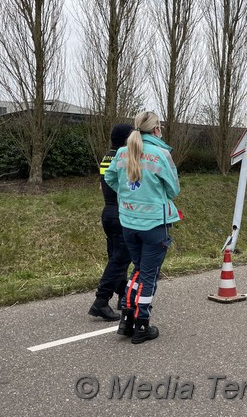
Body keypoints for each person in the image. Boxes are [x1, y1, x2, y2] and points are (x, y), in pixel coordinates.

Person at [105, 111, 181, 344]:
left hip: (128, 223)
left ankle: (126, 319)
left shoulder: (120, 153)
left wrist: (129, 198)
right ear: (156, 129)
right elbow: (173, 190)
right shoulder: (161, 154)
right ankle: (141, 324)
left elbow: (110, 179)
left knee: (137, 270)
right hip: (154, 226)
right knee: (148, 275)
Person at [88, 123, 133, 321]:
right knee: (121, 258)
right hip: (119, 212)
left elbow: (102, 186)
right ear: (126, 139)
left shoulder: (107, 156)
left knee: (116, 256)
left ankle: (123, 296)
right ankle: (101, 301)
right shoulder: (122, 156)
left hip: (108, 211)